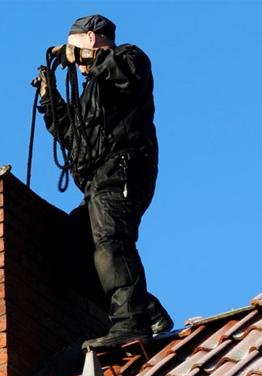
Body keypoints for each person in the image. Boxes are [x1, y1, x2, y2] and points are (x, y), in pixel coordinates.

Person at [36, 14, 173, 351]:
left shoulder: (130, 58)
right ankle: (146, 310)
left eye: (75, 47)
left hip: (122, 170)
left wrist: (81, 57)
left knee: (112, 241)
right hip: (97, 181)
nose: (72, 60)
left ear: (92, 39)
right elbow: (75, 137)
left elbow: (126, 75)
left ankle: (131, 324)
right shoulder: (91, 92)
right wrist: (49, 99)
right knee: (72, 252)